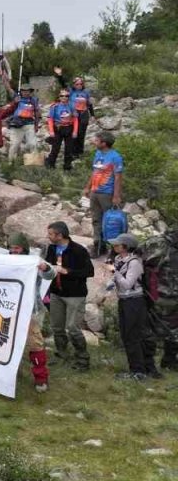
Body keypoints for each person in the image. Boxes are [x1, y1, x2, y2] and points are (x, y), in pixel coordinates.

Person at [108, 233, 160, 380]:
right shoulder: (118, 259)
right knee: (127, 335)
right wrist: (111, 281)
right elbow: (118, 280)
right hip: (124, 301)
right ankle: (141, 368)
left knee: (133, 336)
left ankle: (139, 371)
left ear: (126, 246)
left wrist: (114, 272)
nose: (114, 246)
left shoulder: (135, 263)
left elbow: (127, 284)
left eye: (118, 244)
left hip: (135, 302)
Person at [43, 221, 93, 371]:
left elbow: (89, 272)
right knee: (57, 327)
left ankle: (82, 359)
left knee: (72, 328)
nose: (48, 236)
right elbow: (49, 267)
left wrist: (67, 271)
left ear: (60, 235)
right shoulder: (51, 249)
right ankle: (62, 354)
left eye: (51, 234)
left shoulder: (78, 250)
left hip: (75, 295)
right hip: (56, 293)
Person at [8, 233, 54, 393]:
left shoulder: (34, 261)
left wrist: (45, 268)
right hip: (8, 309)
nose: (14, 251)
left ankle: (41, 378)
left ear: (24, 248)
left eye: (17, 248)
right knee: (8, 342)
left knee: (35, 344)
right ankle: (12, 372)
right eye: (11, 248)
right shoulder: (6, 260)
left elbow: (50, 274)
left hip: (29, 311)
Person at [84, 132, 124, 257]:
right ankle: (98, 246)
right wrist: (88, 187)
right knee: (96, 220)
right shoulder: (98, 153)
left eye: (97, 141)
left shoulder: (115, 157)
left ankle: (114, 250)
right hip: (95, 192)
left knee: (110, 223)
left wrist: (116, 196)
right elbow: (94, 171)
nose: (94, 142)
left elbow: (118, 177)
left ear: (104, 143)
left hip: (107, 193)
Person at [6, 85, 42, 161]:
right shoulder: (17, 98)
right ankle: (11, 162)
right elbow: (9, 89)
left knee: (33, 143)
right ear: (21, 91)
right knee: (15, 144)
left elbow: (37, 113)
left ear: (30, 92)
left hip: (29, 124)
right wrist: (5, 79)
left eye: (27, 91)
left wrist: (36, 125)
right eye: (24, 91)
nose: (26, 93)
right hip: (16, 124)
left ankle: (34, 161)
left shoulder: (33, 100)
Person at [44, 89, 77, 171]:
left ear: (69, 97)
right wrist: (51, 131)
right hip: (58, 128)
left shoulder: (72, 106)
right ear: (59, 97)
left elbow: (75, 119)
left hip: (69, 128)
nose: (64, 97)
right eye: (62, 96)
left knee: (69, 149)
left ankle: (67, 167)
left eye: (66, 96)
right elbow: (50, 119)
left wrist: (75, 131)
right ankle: (50, 165)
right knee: (55, 148)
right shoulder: (54, 107)